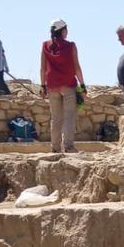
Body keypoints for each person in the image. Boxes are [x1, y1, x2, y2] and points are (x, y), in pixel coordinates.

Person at [40, 18, 86, 153]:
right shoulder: (71, 46)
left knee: (55, 118)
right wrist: (82, 85)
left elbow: (42, 68)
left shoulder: (45, 45)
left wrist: (42, 86)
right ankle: (69, 146)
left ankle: (55, 148)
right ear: (63, 31)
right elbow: (77, 67)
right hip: (68, 85)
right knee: (69, 117)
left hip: (52, 86)